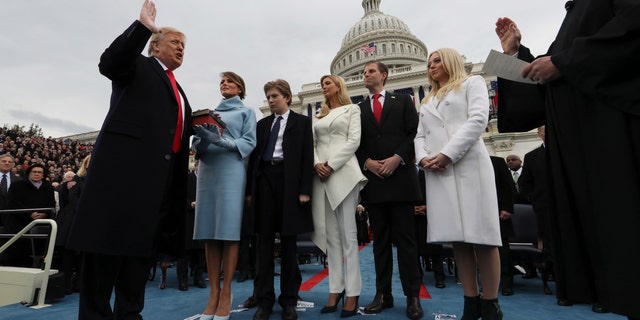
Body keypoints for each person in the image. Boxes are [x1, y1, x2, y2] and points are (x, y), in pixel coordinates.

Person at [494, 4, 640, 318]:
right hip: (580, 147)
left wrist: (563, 62)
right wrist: (516, 56)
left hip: (614, 138)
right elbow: (546, 86)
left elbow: (630, 32)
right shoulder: (575, 13)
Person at [65, 1, 193, 318]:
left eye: (184, 45)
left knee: (134, 278)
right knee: (101, 274)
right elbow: (110, 63)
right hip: (118, 189)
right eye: (175, 42)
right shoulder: (138, 66)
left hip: (153, 197)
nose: (181, 49)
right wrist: (141, 27)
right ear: (155, 46)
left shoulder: (179, 91)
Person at [414, 48, 503, 319]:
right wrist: (423, 159)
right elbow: (419, 136)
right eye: (429, 63)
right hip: (438, 172)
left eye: (438, 60)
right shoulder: (427, 100)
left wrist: (447, 154)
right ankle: (470, 300)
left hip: (469, 166)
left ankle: (490, 303)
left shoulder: (471, 83)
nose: (432, 66)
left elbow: (478, 119)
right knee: (459, 241)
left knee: (483, 237)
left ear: (452, 61)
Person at [356, 60, 424, 320]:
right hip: (374, 182)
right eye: (363, 72)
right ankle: (382, 294)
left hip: (401, 179)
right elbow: (356, 142)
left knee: (407, 242)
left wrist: (398, 157)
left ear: (383, 75)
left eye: (370, 71)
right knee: (379, 243)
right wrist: (367, 162)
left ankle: (412, 297)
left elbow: (413, 133)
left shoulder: (404, 101)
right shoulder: (358, 108)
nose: (366, 74)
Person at [246, 79, 314, 320]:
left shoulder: (302, 123)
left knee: (288, 243)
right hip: (264, 180)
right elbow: (253, 158)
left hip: (289, 182)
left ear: (287, 96)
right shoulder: (262, 124)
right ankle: (264, 300)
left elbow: (307, 157)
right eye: (268, 97)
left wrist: (305, 190)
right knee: (263, 243)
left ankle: (288, 300)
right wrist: (250, 191)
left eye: (274, 96)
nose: (271, 100)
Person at [192, 71, 257, 320]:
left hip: (232, 170)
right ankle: (213, 293)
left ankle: (226, 293)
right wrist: (203, 139)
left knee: (228, 231)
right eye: (222, 81)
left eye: (230, 81)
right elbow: (197, 147)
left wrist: (221, 141)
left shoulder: (247, 111)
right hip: (208, 170)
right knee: (209, 231)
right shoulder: (208, 113)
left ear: (240, 88)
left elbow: (249, 142)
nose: (225, 84)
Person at [310, 75, 368, 318]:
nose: (324, 87)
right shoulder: (317, 116)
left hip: (343, 173)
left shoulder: (352, 109)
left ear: (338, 87)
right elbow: (311, 144)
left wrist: (331, 165)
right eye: (322, 84)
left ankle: (353, 292)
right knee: (331, 236)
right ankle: (335, 289)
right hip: (320, 176)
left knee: (348, 236)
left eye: (328, 83)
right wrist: (316, 164)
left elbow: (354, 141)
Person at [518, 125, 554, 296]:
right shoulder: (532, 157)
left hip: (570, 209)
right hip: (544, 209)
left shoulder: (568, 151)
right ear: (539, 135)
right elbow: (524, 184)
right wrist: (535, 200)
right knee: (549, 245)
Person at [6, 163, 56, 267]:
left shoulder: (48, 187)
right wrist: (29, 214)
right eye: (34, 172)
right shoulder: (17, 185)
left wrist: (44, 214)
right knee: (20, 253)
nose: (37, 174)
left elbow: (51, 204)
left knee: (39, 250)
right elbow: (13, 202)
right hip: (20, 223)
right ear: (29, 173)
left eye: (40, 172)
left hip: (41, 223)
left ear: (43, 175)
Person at [55, 154, 91, 294]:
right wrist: (83, 212)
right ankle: (66, 283)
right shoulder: (77, 179)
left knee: (84, 252)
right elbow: (73, 198)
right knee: (68, 251)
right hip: (72, 218)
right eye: (89, 161)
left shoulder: (102, 180)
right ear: (85, 164)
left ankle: (79, 284)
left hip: (90, 220)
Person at [176, 159, 207, 291]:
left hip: (203, 221)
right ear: (195, 166)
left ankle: (198, 278)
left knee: (200, 252)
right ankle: (182, 281)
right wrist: (191, 204)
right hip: (188, 219)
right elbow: (178, 198)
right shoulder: (187, 179)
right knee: (185, 253)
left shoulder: (208, 181)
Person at [413, 168, 446, 289]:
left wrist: (428, 207)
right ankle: (417, 277)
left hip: (431, 215)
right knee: (413, 249)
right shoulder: (405, 169)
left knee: (435, 248)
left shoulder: (426, 170)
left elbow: (439, 191)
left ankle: (439, 277)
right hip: (412, 217)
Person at [489, 156, 516, 297]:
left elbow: (508, 186)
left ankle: (507, 284)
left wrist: (507, 208)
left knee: (503, 252)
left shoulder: (497, 161)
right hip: (478, 214)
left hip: (499, 213)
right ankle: (490, 284)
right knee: (484, 251)